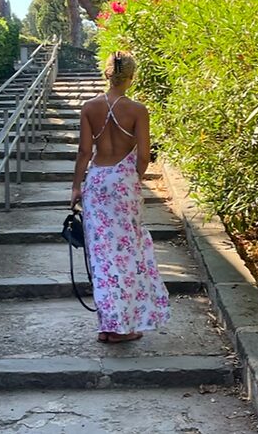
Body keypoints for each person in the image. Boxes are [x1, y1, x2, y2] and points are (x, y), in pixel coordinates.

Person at [71, 50, 171, 343]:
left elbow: (84, 152)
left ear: (106, 74)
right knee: (127, 252)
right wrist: (133, 179)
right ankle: (122, 326)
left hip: (98, 181)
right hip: (124, 183)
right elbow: (143, 155)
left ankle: (107, 325)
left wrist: (76, 186)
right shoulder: (138, 110)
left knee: (101, 255)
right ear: (131, 77)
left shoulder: (89, 108)